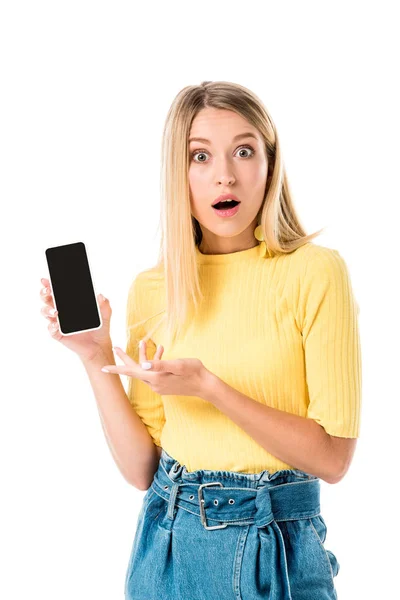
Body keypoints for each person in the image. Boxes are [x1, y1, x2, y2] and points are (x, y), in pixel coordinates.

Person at [39, 80, 362, 600]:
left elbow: (332, 459)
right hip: (166, 542)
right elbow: (142, 469)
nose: (225, 175)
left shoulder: (315, 272)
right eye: (200, 156)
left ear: (269, 163)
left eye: (243, 150)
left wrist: (211, 388)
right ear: (178, 173)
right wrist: (95, 356)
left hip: (271, 547)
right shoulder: (154, 289)